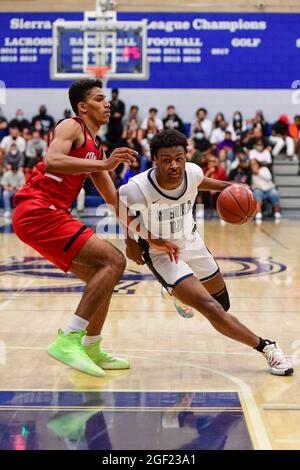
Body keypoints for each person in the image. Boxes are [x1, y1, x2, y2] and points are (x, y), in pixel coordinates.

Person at [120, 129, 293, 376]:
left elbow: (200, 182)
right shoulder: (137, 188)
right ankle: (268, 348)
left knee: (223, 304)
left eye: (179, 158)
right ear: (155, 159)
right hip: (161, 253)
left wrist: (232, 187)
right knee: (210, 307)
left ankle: (175, 292)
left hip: (191, 240)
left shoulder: (192, 171)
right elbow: (122, 209)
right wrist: (131, 242)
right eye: (167, 159)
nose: (174, 165)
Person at [12, 79, 140, 378]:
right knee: (113, 261)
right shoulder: (71, 126)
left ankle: (91, 346)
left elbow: (112, 199)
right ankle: (68, 338)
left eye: (106, 98)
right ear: (83, 106)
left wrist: (141, 237)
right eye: (99, 99)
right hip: (38, 209)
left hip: (46, 214)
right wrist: (105, 164)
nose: (107, 103)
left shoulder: (95, 147)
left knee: (104, 277)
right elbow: (52, 160)